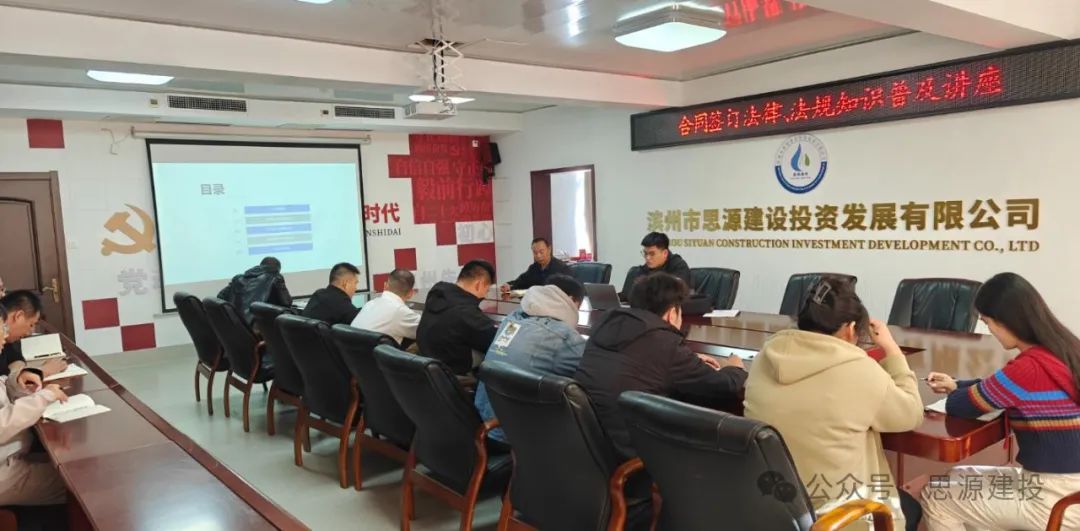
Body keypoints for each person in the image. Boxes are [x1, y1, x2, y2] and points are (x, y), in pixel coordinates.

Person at [743, 277, 923, 531]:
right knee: (910, 507)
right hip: (841, 517)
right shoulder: (858, 369)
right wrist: (892, 350)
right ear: (850, 329)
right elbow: (911, 413)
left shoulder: (765, 357)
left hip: (775, 510)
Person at [922, 273, 1080, 530]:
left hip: (1054, 499)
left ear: (1005, 321)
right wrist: (956, 385)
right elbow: (996, 388)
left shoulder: (1028, 368)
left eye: (987, 322)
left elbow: (959, 406)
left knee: (937, 496)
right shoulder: (1064, 349)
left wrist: (956, 392)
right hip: (1066, 486)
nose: (990, 331)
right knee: (957, 476)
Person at [574, 272, 746, 460]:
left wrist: (687, 358)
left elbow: (640, 358)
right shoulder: (665, 344)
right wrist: (735, 367)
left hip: (589, 448)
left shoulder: (604, 325)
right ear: (672, 313)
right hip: (634, 456)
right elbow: (724, 384)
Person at [475, 274, 588, 443]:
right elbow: (591, 375)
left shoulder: (511, 319)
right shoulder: (563, 336)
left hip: (482, 423)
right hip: (518, 437)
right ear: (571, 301)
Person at [0, 304, 69, 509]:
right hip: (4, 474)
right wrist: (45, 397)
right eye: (2, 329)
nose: (5, 336)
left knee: (70, 461)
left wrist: (18, 381)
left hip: (10, 456)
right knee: (78, 482)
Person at [416, 260, 498, 375]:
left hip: (427, 357)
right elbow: (495, 339)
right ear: (478, 284)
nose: (486, 295)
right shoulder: (465, 311)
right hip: (451, 367)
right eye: (487, 290)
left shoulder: (437, 292)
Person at [0, 290, 66, 378]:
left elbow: (16, 360)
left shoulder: (10, 339)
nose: (31, 331)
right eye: (31, 324)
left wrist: (22, 373)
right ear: (19, 316)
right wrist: (40, 372)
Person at [351, 269, 420, 346]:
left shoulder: (369, 304)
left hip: (350, 352)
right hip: (372, 353)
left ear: (385, 286)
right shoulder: (400, 311)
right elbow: (426, 330)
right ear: (410, 293)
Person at [218, 257, 292, 325]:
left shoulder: (238, 278)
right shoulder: (276, 278)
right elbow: (287, 303)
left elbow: (220, 297)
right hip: (257, 328)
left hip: (236, 325)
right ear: (278, 269)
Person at [624, 232, 691, 296]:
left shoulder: (679, 266)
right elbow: (629, 294)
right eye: (645, 253)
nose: (647, 258)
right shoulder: (644, 268)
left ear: (665, 253)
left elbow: (674, 293)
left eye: (652, 254)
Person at [499, 237, 571, 294]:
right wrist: (509, 285)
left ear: (549, 249)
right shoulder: (534, 267)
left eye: (541, 252)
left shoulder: (562, 268)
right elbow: (521, 281)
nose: (538, 256)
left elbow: (569, 291)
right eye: (535, 253)